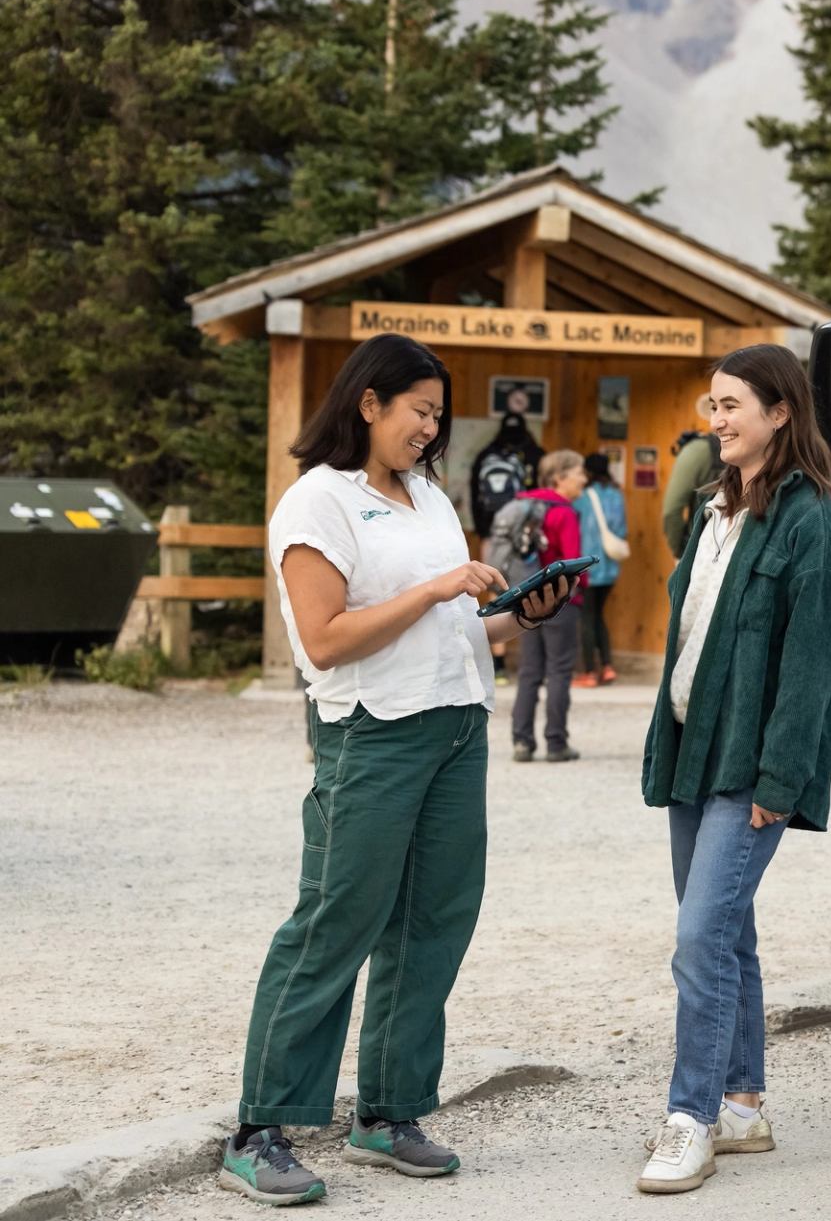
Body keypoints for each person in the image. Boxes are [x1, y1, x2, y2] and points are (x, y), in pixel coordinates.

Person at [222, 333, 574, 1207]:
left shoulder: (426, 497)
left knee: (434, 923)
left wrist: (522, 617)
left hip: (458, 725)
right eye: (419, 410)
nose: (431, 427)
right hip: (373, 733)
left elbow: (464, 628)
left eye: (437, 414)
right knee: (337, 921)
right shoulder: (316, 503)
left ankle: (388, 1111)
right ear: (368, 402)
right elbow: (326, 638)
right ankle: (260, 1127)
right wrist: (433, 588)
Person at [636, 345, 831, 1194]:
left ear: (780, 413)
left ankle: (688, 1118)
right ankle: (743, 1105)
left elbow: (808, 674)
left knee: (698, 940)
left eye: (731, 405)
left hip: (749, 769)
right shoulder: (714, 509)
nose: (715, 419)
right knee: (726, 934)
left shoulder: (817, 524)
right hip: (693, 750)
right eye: (712, 404)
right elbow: (690, 630)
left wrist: (778, 784)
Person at [510, 449, 590, 762]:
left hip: (526, 599)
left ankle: (522, 742)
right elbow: (573, 563)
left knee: (529, 671)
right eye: (578, 472)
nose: (583, 478)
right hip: (560, 603)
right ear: (559, 477)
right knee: (558, 670)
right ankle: (556, 743)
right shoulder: (563, 512)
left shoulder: (525, 506)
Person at [470, 413, 545, 685]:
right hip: (525, 537)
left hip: (493, 535)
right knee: (535, 592)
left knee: (495, 592)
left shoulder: (486, 454)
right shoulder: (534, 453)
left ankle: (499, 665)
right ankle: (532, 666)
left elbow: (475, 496)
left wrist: (484, 532)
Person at [571, 452, 627, 689]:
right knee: (598, 616)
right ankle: (608, 667)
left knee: (586, 617)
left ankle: (590, 673)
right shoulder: (616, 495)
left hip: (588, 566)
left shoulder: (582, 496)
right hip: (610, 567)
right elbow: (622, 531)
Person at [661, 395, 719, 558]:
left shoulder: (698, 450)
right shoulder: (762, 449)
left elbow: (671, 510)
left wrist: (680, 552)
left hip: (701, 551)